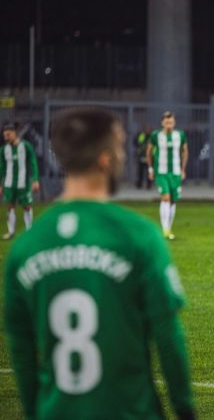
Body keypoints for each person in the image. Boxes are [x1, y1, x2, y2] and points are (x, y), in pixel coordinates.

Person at [4, 108, 196, 419]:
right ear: (105, 160)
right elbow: (168, 335)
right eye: (119, 147)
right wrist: (185, 411)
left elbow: (22, 352)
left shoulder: (25, 248)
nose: (123, 155)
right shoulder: (138, 235)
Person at [147, 111, 189, 240]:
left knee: (173, 200)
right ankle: (165, 229)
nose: (168, 124)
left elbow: (185, 151)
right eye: (166, 122)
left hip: (175, 172)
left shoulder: (180, 135)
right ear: (162, 123)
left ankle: (168, 229)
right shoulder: (156, 135)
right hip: (161, 172)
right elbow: (149, 152)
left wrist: (183, 169)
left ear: (174, 122)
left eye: (170, 122)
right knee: (165, 197)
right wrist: (150, 169)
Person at [0, 122, 40, 240]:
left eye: (8, 134)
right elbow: (1, 167)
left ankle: (29, 231)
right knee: (10, 206)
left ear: (14, 133)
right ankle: (11, 232)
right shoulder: (3, 149)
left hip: (23, 183)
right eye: (4, 135)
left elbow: (33, 162)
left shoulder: (26, 146)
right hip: (9, 183)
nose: (6, 137)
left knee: (26, 206)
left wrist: (35, 179)